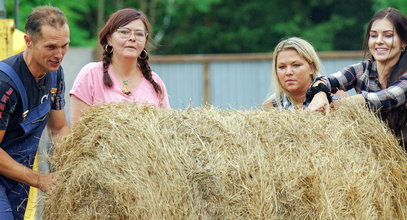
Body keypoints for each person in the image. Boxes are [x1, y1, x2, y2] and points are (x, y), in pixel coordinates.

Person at [0, 6, 70, 219]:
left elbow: (58, 129)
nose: (59, 55)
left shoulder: (54, 75)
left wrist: (75, 165)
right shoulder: (5, 84)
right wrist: (40, 180)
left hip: (19, 178)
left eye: (64, 46)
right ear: (28, 41)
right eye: (51, 47)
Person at [307, 8, 407, 149]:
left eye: (388, 35)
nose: (379, 41)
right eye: (373, 35)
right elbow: (325, 80)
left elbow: (388, 97)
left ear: (403, 42)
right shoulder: (362, 69)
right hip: (371, 157)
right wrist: (320, 93)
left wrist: (349, 102)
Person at [70, 8, 171, 127]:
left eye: (139, 34)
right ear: (109, 39)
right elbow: (78, 134)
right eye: (124, 32)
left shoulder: (155, 82)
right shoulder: (91, 74)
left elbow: (167, 130)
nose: (132, 38)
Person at [263, 37, 323, 110]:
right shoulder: (270, 108)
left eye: (296, 65)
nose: (288, 72)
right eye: (282, 67)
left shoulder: (333, 100)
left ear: (312, 68)